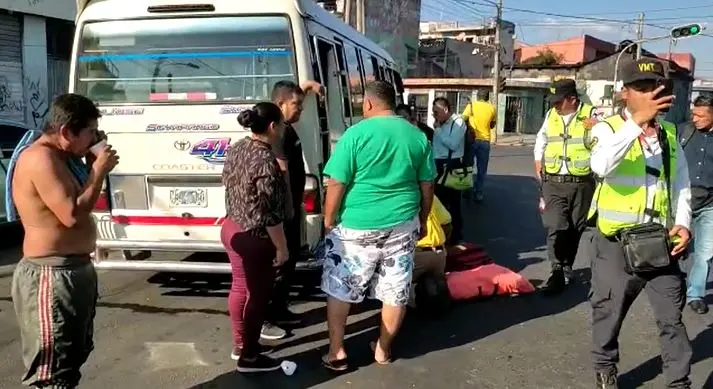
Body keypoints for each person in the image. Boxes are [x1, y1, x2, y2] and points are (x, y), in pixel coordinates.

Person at [585, 58, 693, 389]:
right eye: (642, 89)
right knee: (609, 313)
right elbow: (601, 165)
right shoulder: (607, 129)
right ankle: (605, 365)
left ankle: (679, 382)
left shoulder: (670, 134)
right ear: (624, 94)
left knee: (672, 319)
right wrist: (636, 123)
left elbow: (681, 183)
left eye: (656, 88)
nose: (650, 95)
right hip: (616, 245)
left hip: (660, 242)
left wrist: (684, 223)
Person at [320, 80, 435, 371]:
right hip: (402, 223)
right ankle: (383, 350)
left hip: (356, 225)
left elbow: (337, 181)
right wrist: (422, 219)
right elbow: (427, 184)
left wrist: (329, 219)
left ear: (368, 103)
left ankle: (337, 352)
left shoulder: (355, 134)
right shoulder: (416, 136)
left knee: (341, 287)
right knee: (395, 289)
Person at [10, 93, 117, 388]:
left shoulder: (64, 156)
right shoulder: (41, 158)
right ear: (66, 131)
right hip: (50, 275)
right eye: (90, 132)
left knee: (71, 356)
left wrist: (92, 160)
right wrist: (97, 171)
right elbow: (70, 214)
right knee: (52, 370)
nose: (96, 137)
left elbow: (84, 199)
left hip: (74, 269)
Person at [221, 102, 288, 373]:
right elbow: (270, 214)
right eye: (281, 125)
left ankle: (241, 344)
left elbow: (225, 181)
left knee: (239, 287)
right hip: (255, 235)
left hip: (231, 227)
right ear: (272, 127)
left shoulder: (237, 147)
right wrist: (281, 248)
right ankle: (250, 357)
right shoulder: (266, 161)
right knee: (258, 297)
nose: (283, 129)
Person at [259, 80, 322, 342]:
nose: (300, 110)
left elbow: (292, 94)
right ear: (279, 104)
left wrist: (306, 88)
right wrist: (288, 212)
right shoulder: (280, 135)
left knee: (290, 262)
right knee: (278, 265)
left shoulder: (286, 127)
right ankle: (266, 319)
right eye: (296, 105)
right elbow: (281, 176)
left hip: (291, 209)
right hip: (282, 213)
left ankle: (280, 308)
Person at [533, 79, 598, 295]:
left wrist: (595, 129)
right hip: (553, 181)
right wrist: (537, 160)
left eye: (559, 102)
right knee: (556, 225)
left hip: (581, 183)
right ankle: (556, 269)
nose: (555, 106)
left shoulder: (591, 114)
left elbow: (602, 143)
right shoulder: (552, 114)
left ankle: (567, 265)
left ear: (572, 99)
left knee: (575, 228)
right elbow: (541, 138)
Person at [680, 94, 713, 314]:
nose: (695, 118)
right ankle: (669, 285)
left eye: (701, 115)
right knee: (671, 247)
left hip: (710, 203)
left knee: (705, 252)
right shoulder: (683, 131)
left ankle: (695, 294)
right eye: (694, 114)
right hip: (682, 201)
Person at [432, 97, 467, 244]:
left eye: (436, 112)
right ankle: (442, 234)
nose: (434, 115)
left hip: (454, 164)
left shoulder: (458, 122)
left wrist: (438, 131)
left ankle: (456, 236)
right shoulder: (439, 124)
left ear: (445, 110)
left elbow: (453, 144)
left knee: (454, 203)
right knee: (439, 201)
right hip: (438, 164)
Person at [462, 90, 496, 202]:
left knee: (468, 166)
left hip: (472, 140)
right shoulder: (492, 108)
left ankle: (467, 190)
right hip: (485, 141)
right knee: (482, 169)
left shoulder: (471, 105)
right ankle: (479, 192)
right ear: (487, 97)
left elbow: (463, 119)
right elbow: (492, 124)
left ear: (478, 96)